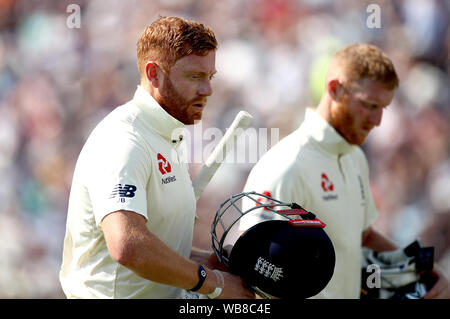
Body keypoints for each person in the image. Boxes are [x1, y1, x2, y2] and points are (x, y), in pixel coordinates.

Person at [59, 16, 254, 299]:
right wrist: (213, 283)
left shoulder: (165, 135)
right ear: (154, 74)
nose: (207, 90)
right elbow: (128, 245)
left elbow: (158, 247)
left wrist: (207, 263)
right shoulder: (125, 141)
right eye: (194, 76)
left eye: (209, 77)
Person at [238, 44, 449, 299]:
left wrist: (421, 268)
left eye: (383, 107)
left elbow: (363, 236)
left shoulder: (354, 157)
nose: (377, 120)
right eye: (369, 105)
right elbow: (253, 262)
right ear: (335, 89)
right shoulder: (286, 164)